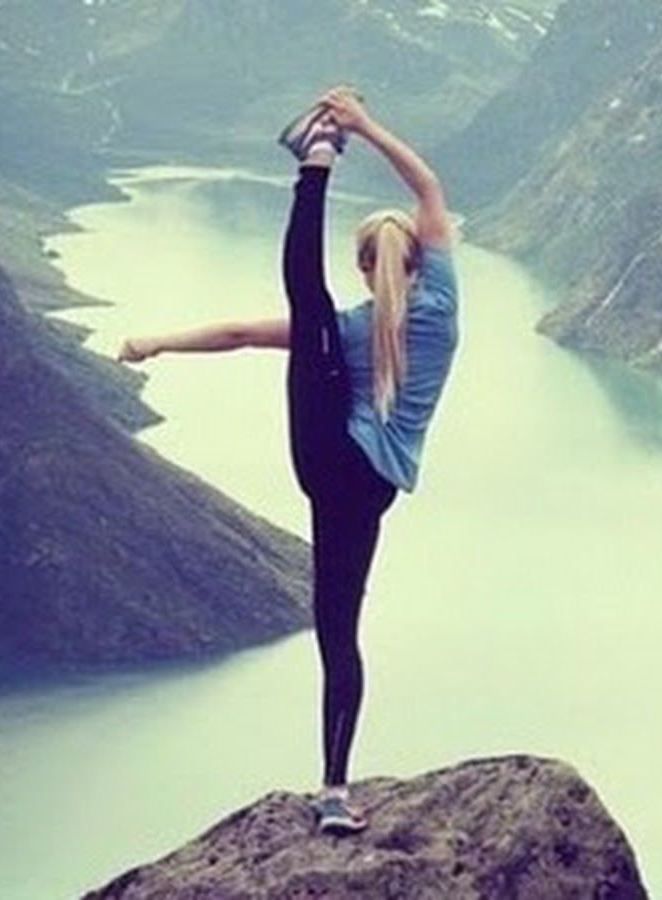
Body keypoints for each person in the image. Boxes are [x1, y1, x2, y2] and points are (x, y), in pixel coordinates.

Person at [119, 87, 459, 835]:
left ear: (367, 266)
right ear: (417, 260)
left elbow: (239, 333)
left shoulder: (344, 328)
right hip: (370, 491)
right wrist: (369, 124)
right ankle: (335, 791)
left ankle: (317, 160)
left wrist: (155, 343)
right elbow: (430, 189)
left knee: (309, 311)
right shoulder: (443, 309)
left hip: (322, 460)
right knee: (341, 634)